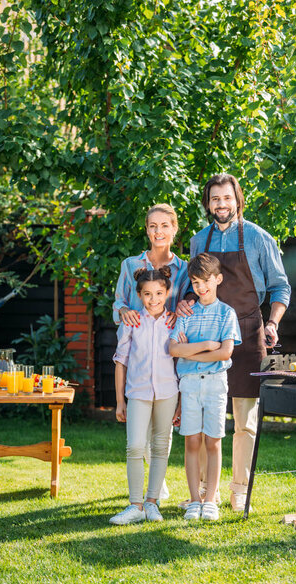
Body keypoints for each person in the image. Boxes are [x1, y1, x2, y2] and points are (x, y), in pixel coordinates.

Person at [176, 173, 291, 512]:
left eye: (226, 198)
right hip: (204, 337)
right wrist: (184, 300)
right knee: (197, 419)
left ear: (237, 200)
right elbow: (189, 285)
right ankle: (198, 492)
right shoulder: (198, 241)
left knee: (245, 421)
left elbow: (280, 287)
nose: (221, 205)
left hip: (248, 333)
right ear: (207, 203)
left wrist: (272, 322)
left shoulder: (258, 238)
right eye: (214, 199)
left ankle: (240, 490)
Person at [113, 203, 190, 501]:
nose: (158, 231)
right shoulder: (130, 265)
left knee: (161, 430)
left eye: (164, 225)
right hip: (136, 345)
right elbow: (118, 302)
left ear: (174, 228)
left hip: (168, 345)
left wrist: (179, 313)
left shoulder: (183, 269)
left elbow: (186, 300)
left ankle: (155, 486)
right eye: (152, 226)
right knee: (139, 426)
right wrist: (123, 311)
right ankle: (145, 485)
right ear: (146, 230)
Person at [169, 253, 241, 521]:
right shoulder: (186, 313)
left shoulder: (226, 313)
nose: (201, 287)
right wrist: (206, 345)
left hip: (215, 385)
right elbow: (173, 347)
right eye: (195, 282)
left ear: (218, 279)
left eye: (206, 281)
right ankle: (194, 500)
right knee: (192, 441)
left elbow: (225, 354)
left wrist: (190, 354)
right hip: (188, 385)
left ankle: (210, 499)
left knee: (212, 441)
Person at [109, 266, 180, 525]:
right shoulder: (131, 322)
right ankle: (135, 505)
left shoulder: (174, 322)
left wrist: (180, 402)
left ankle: (152, 503)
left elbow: (180, 363)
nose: (154, 299)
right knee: (135, 446)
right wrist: (119, 401)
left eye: (159, 293)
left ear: (168, 292)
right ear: (139, 295)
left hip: (168, 392)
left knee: (160, 447)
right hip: (137, 392)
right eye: (148, 294)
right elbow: (121, 362)